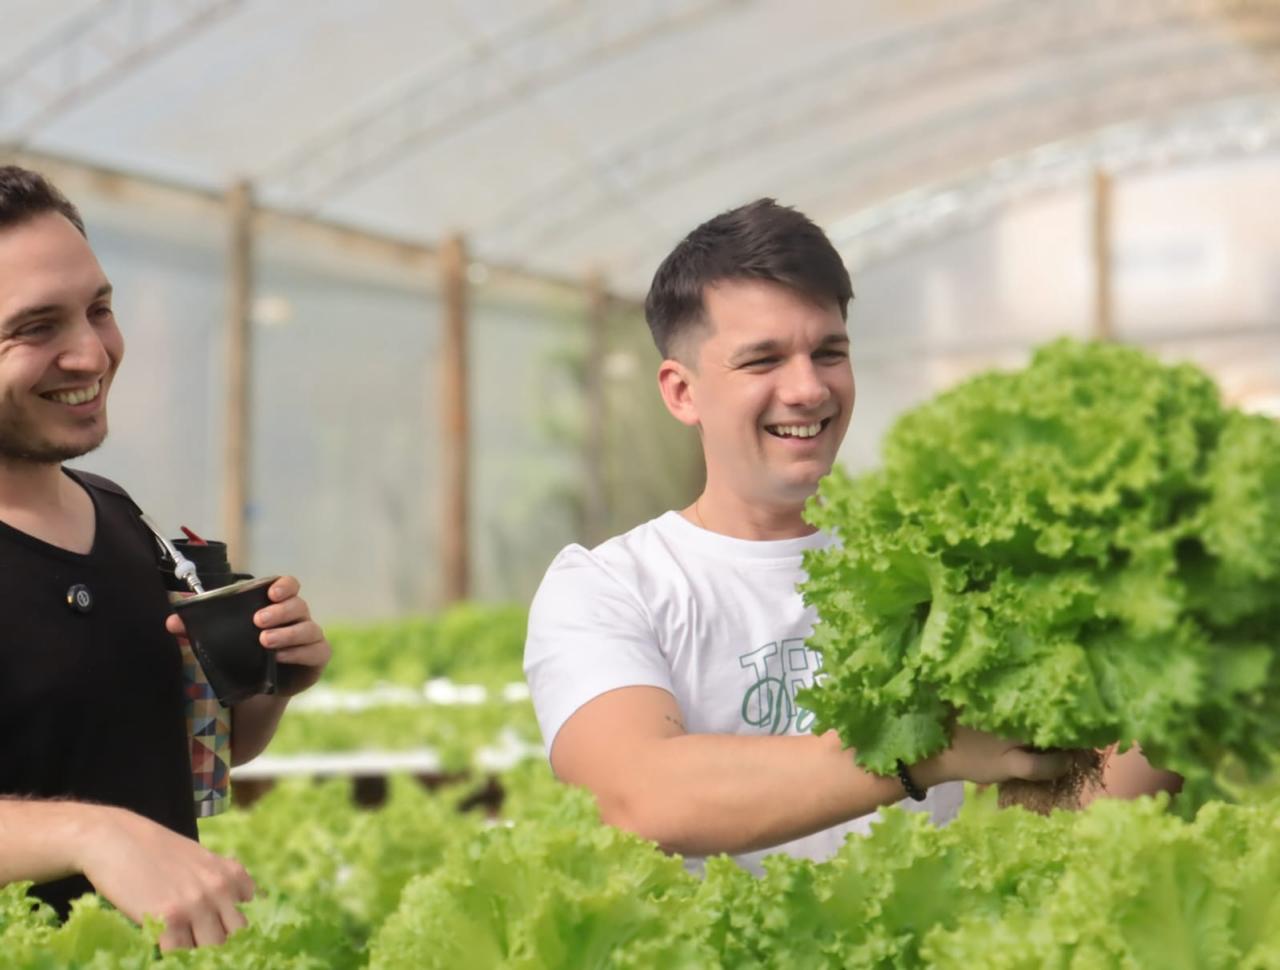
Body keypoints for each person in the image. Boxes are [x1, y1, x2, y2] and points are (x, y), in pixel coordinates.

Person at [524, 198, 1174, 872]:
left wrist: (1180, 684)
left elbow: (1073, 815)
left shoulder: (937, 560)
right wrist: (916, 751)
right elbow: (639, 796)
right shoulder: (610, 588)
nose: (807, 388)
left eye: (828, 352)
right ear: (681, 392)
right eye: (762, 361)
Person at [0, 166, 331, 950]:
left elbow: (175, 758)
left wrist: (267, 688)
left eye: (100, 310)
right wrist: (94, 835)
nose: (91, 353)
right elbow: (108, 824)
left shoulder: (117, 516)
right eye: (37, 327)